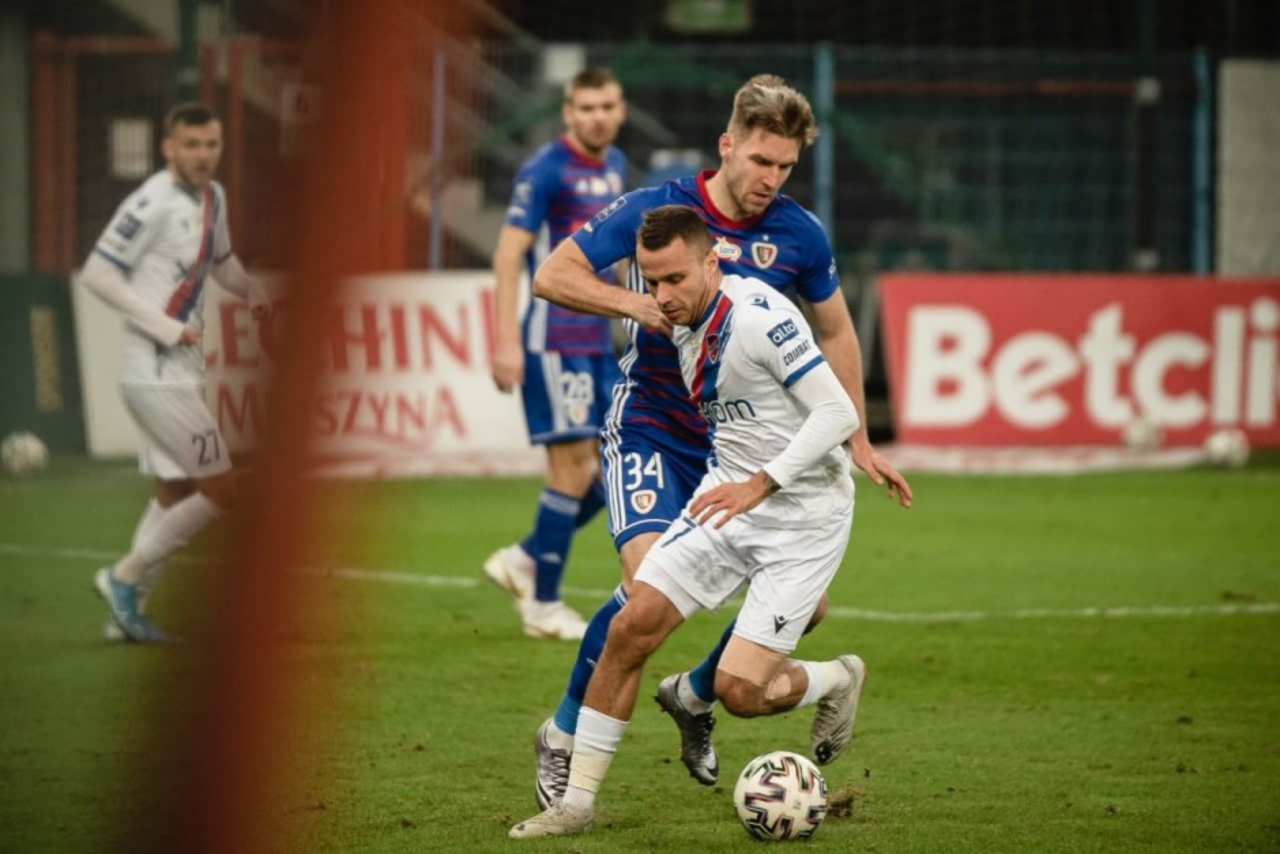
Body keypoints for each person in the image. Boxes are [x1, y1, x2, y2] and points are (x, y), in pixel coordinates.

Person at [521, 74, 913, 811]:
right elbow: (553, 273)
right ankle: (564, 733)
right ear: (726, 146)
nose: (771, 179)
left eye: (785, 166)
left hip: (734, 446)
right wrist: (638, 303)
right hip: (652, 427)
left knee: (811, 609)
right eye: (760, 160)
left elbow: (835, 331)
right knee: (645, 589)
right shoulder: (660, 210)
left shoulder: (799, 233)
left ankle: (696, 694)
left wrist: (858, 437)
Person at [511, 205, 868, 837]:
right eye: (651, 281)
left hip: (804, 514)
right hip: (725, 494)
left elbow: (837, 414)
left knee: (742, 693)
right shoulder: (679, 320)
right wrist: (740, 483)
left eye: (675, 279)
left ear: (712, 263)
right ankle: (575, 806)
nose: (662, 296)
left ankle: (836, 677)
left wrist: (759, 484)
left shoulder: (759, 318)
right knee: (633, 623)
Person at [81, 102, 268, 643]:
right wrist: (163, 327)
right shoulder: (152, 201)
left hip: (181, 370)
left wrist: (251, 289)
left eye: (211, 144)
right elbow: (98, 273)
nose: (202, 155)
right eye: (191, 144)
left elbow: (221, 262)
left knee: (174, 490)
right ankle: (123, 578)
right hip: (153, 371)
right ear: (169, 148)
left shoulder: (214, 198)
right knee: (221, 491)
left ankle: (127, 614)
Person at [482, 67, 629, 641]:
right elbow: (507, 255)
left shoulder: (615, 167)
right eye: (586, 107)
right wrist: (505, 341)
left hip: (597, 341)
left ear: (620, 110)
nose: (598, 116)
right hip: (553, 339)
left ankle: (526, 557)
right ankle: (542, 604)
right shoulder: (545, 169)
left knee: (614, 464)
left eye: (607, 106)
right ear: (568, 113)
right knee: (572, 468)